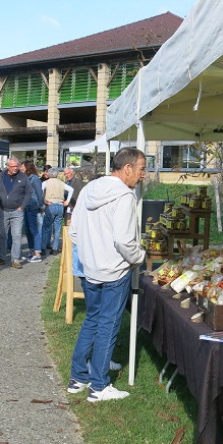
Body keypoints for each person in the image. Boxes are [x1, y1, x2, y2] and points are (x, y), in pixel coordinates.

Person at [67, 147, 146, 402]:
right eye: (142, 169)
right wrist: (139, 258)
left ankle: (78, 377)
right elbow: (124, 241)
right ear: (127, 169)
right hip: (114, 270)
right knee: (108, 325)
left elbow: (74, 231)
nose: (143, 175)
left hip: (90, 269)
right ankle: (99, 386)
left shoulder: (89, 189)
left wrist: (91, 254)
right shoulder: (124, 196)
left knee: (93, 320)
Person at [0, 156, 33, 269]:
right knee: (2, 235)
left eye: (17, 166)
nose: (16, 168)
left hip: (17, 211)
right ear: (8, 166)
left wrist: (22, 207)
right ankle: (1, 258)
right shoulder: (1, 176)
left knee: (16, 235)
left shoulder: (23, 177)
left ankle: (15, 259)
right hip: (3, 210)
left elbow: (28, 193)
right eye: (13, 166)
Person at [42, 168, 73, 255]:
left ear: (48, 174)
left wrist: (43, 200)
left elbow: (39, 190)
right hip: (60, 205)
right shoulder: (61, 183)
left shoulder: (46, 183)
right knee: (57, 227)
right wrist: (67, 201)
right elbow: (71, 190)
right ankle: (55, 248)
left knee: (46, 227)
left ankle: (43, 247)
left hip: (50, 205)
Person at [22, 161, 44, 263]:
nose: (20, 168)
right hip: (25, 207)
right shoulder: (25, 178)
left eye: (22, 166)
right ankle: (32, 252)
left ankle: (38, 253)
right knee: (28, 230)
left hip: (32, 206)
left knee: (34, 229)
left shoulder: (34, 179)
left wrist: (40, 206)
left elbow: (40, 193)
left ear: (27, 167)